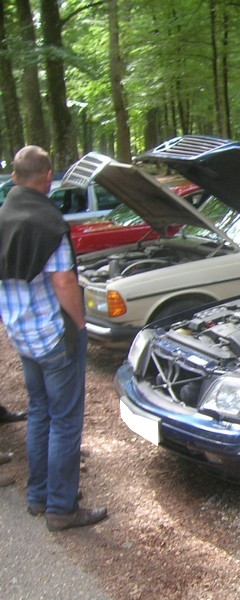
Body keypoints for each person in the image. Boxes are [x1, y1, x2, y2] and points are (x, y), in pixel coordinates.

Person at [0, 145, 107, 531]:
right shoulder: (48, 222)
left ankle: (38, 497)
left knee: (40, 413)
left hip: (22, 334)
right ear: (47, 176)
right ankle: (62, 508)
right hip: (54, 336)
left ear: (15, 176)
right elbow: (64, 282)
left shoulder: (2, 217)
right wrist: (79, 326)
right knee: (65, 420)